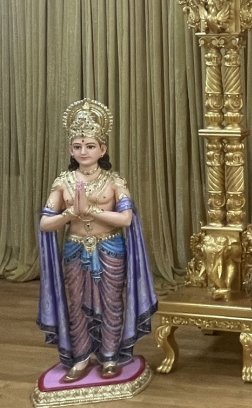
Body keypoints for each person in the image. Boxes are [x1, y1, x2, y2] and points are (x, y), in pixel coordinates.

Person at [37, 99, 157, 382]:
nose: (83, 152)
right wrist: (70, 212)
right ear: (70, 149)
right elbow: (45, 223)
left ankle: (110, 357)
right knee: (76, 304)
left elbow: (126, 219)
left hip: (110, 248)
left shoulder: (114, 181)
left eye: (90, 146)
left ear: (102, 149)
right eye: (77, 146)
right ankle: (79, 358)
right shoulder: (62, 182)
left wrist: (89, 210)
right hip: (75, 249)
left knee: (112, 303)